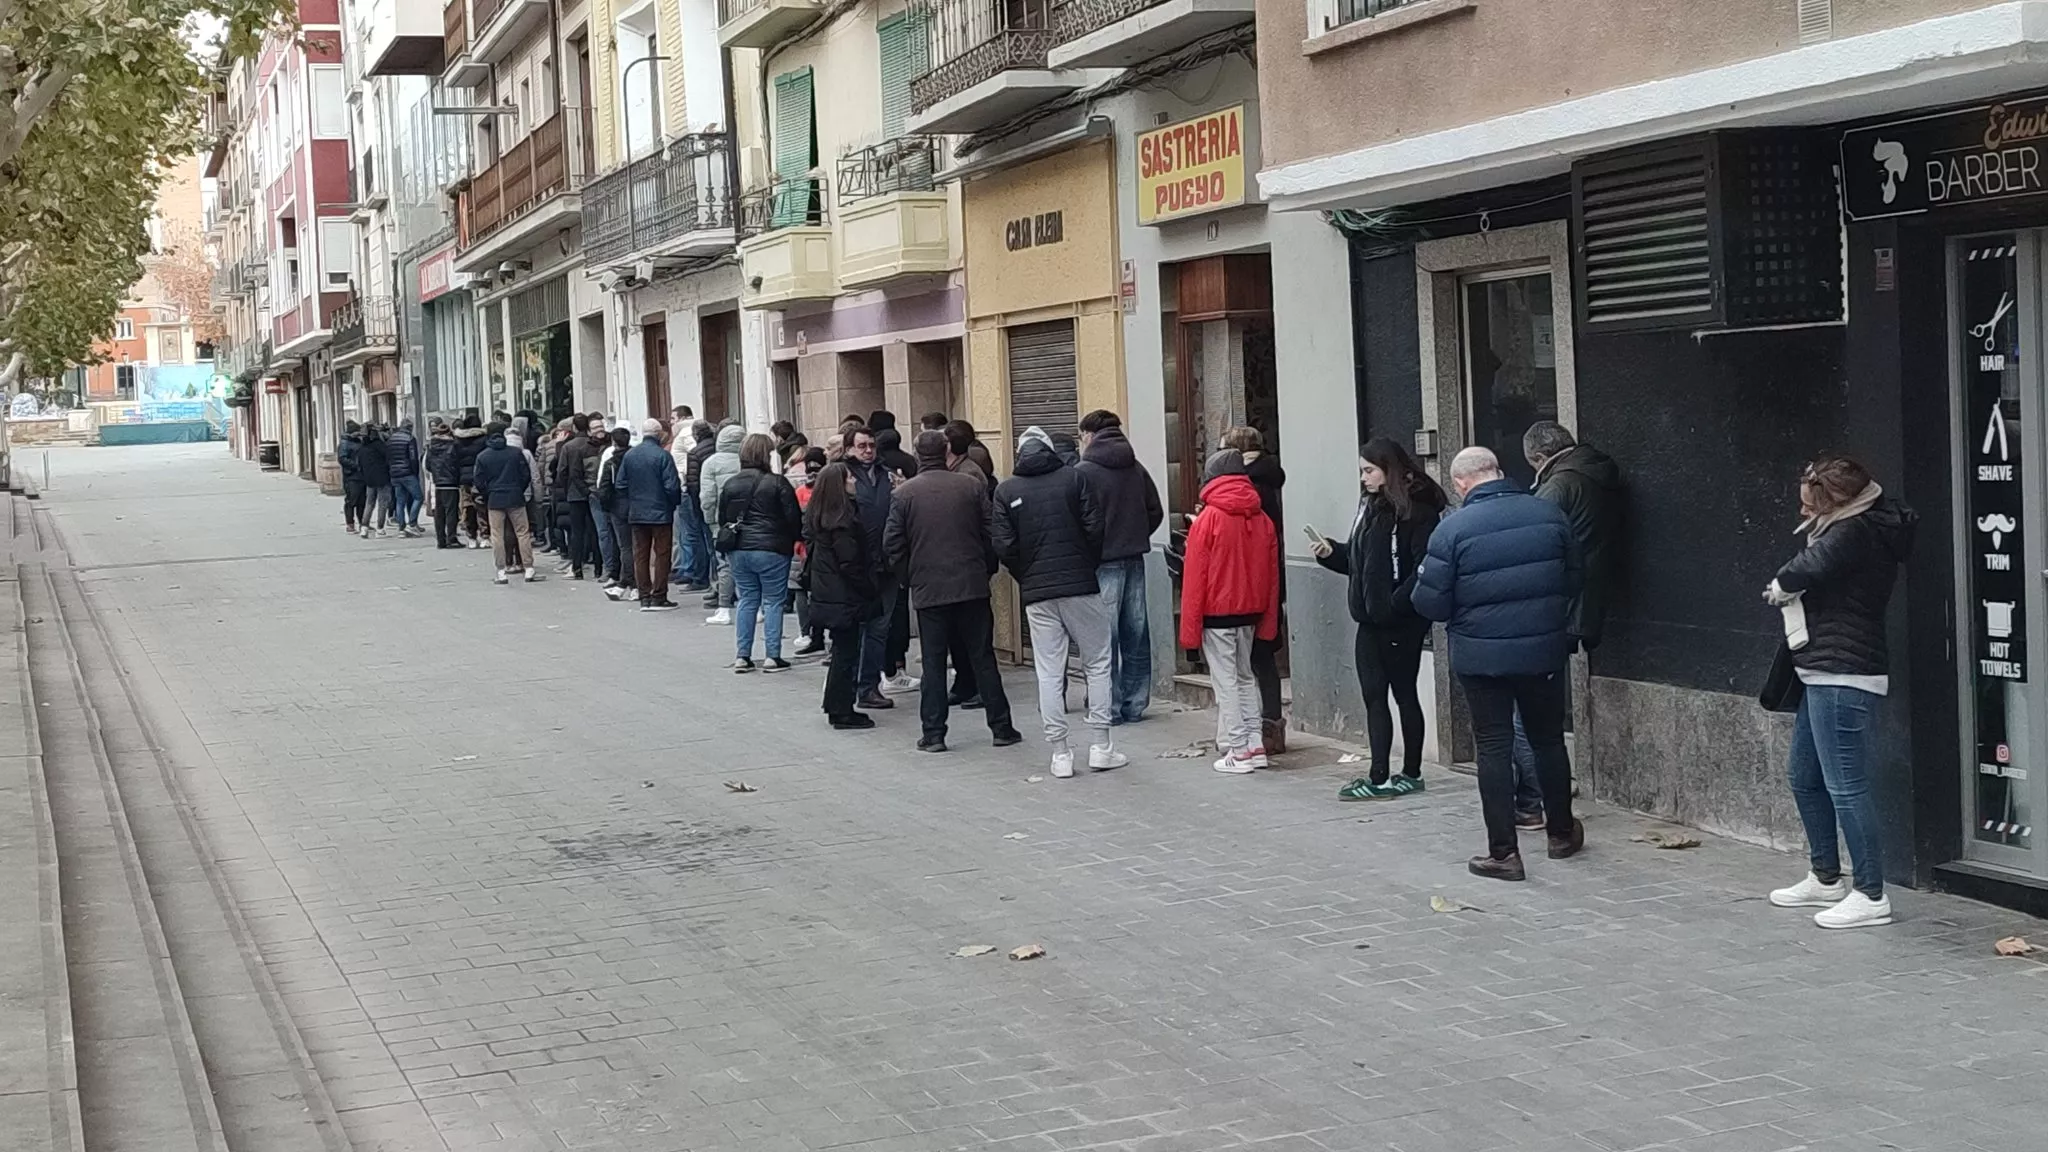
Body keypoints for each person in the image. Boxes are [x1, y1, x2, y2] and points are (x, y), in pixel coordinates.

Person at [1410, 446, 1582, 882]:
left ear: (1460, 484)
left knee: (1493, 747)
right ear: (1500, 472)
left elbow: (1430, 602)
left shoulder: (1453, 529)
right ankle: (1561, 833)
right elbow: (1575, 577)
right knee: (1547, 741)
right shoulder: (1548, 515)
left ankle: (1504, 853)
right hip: (1542, 651)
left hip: (1480, 656)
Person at [1763, 455, 1915, 930]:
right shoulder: (1853, 524)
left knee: (1846, 787)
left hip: (1842, 671)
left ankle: (1870, 893)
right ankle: (1825, 876)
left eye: (1810, 507)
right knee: (1804, 776)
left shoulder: (1854, 532)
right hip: (1821, 668)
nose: (1804, 514)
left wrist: (1779, 587)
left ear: (1837, 503)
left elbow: (1797, 572)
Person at [1312, 438, 1446, 799]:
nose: (1364, 479)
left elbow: (1422, 568)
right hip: (1369, 619)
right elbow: (1360, 565)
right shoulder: (1370, 508)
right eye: (1361, 471)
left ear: (1390, 470)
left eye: (1369, 471)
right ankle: (1381, 774)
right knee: (1374, 695)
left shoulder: (1418, 511)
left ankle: (1404, 773)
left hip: (1400, 620)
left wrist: (1393, 605)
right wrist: (1330, 553)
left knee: (1403, 694)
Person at [1509, 421, 1626, 826]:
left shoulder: (1560, 486)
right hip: (1581, 604)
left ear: (1540, 458)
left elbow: (1530, 539)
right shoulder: (1597, 473)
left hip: (1555, 609)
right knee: (1542, 714)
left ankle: (1532, 802)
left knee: (1528, 716)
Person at [991, 427, 1123, 779]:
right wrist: (1085, 563)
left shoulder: (1006, 490)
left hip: (1038, 594)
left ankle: (1060, 753)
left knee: (1049, 671)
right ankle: (1101, 745)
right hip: (1081, 585)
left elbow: (1003, 546)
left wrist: (1028, 574)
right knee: (1097, 663)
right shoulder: (1075, 479)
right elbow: (1096, 527)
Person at [884, 429, 1021, 753]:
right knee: (983, 658)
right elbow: (992, 533)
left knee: (932, 664)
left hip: (930, 589)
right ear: (946, 450)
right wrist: (983, 567)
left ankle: (933, 734)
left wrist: (910, 576)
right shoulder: (971, 486)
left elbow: (892, 545)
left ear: (917, 454)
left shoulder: (904, 495)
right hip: (971, 585)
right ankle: (1001, 728)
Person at [1178, 450, 1281, 775]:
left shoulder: (1208, 520)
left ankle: (1238, 751)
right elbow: (1272, 575)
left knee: (1226, 685)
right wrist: (1268, 620)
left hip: (1216, 615)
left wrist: (1189, 630)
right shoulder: (1261, 517)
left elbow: (1195, 578)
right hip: (1249, 613)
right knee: (1245, 678)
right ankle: (1255, 744)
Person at [1076, 410, 1165, 724]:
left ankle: (1108, 708)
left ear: (1089, 435)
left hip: (1102, 563)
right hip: (1135, 559)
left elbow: (1078, 522)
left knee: (1103, 638)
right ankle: (1134, 704)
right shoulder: (1135, 467)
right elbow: (1156, 511)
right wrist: (1136, 535)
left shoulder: (1083, 472)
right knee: (1136, 634)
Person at [714, 433, 804, 669]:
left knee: (747, 600)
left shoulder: (731, 484)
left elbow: (722, 517)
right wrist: (795, 538)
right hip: (772, 549)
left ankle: (743, 655)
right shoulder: (777, 483)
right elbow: (792, 517)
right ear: (767, 454)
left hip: (740, 549)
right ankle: (772, 655)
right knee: (773, 601)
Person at [1226, 426, 1288, 752]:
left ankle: (1261, 729)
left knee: (1252, 659)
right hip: (1267, 578)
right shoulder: (1266, 479)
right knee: (1263, 656)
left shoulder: (1249, 487)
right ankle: (1271, 725)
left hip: (1251, 580)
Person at [846, 426, 906, 711]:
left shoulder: (889, 476)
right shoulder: (841, 477)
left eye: (871, 445)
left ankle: (869, 687)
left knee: (880, 629)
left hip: (887, 565)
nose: (868, 450)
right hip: (856, 567)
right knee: (855, 630)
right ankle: (850, 686)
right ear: (849, 449)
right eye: (862, 446)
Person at [618, 419, 683, 611]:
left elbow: (620, 484)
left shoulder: (630, 456)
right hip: (660, 512)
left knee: (641, 554)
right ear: (659, 434)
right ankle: (659, 595)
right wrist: (673, 503)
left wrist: (633, 499)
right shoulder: (663, 456)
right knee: (662, 554)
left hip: (637, 511)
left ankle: (644, 595)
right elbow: (672, 486)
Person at [471, 422, 543, 584]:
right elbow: (526, 475)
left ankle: (501, 571)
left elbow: (478, 480)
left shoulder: (483, 456)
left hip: (495, 499)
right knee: (522, 532)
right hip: (515, 497)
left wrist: (487, 493)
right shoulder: (516, 453)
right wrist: (518, 488)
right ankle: (529, 568)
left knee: (497, 535)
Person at [698, 422, 746, 623]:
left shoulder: (711, 463)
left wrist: (709, 519)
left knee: (725, 564)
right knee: (745, 564)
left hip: (721, 522)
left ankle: (724, 607)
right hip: (747, 520)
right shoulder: (747, 461)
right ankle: (752, 605)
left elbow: (707, 496)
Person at [555, 414, 598, 579]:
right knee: (593, 529)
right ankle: (598, 567)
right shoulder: (592, 443)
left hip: (574, 493)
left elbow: (562, 471)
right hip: (592, 490)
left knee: (577, 532)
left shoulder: (568, 446)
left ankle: (577, 567)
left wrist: (566, 488)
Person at [597, 428, 635, 596]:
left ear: (613, 443)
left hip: (618, 507)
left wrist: (606, 507)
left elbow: (604, 488)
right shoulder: (636, 460)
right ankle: (637, 583)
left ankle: (629, 581)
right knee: (639, 546)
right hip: (637, 505)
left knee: (625, 546)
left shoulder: (611, 463)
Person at [679, 418, 716, 591]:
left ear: (695, 435)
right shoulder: (718, 448)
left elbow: (693, 484)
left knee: (702, 540)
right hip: (722, 501)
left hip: (703, 501)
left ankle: (704, 579)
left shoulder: (694, 453)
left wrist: (696, 507)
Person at [424, 418, 462, 548]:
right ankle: (452, 538)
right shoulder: (454, 445)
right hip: (451, 482)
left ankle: (441, 539)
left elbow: (428, 465)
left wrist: (436, 474)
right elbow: (458, 463)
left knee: (439, 512)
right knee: (451, 511)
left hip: (438, 482)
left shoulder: (432, 446)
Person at [454, 414, 490, 548]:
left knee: (468, 507)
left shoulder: (458, 441)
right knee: (481, 506)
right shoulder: (484, 439)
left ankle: (471, 537)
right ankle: (485, 535)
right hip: (480, 478)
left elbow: (455, 460)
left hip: (464, 479)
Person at [356, 423, 392, 538]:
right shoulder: (380, 446)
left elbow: (359, 465)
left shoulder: (362, 448)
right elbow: (388, 459)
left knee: (369, 503)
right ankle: (380, 528)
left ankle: (364, 527)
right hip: (382, 478)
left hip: (369, 480)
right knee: (382, 503)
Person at [387, 420, 423, 535]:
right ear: (410, 428)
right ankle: (412, 524)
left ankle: (401, 528)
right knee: (418, 497)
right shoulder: (410, 439)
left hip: (394, 474)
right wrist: (415, 472)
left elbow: (388, 457)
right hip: (407, 473)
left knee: (400, 501)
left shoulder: (391, 439)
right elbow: (413, 458)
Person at [338, 421, 365, 534]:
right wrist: (356, 465)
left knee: (362, 501)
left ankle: (363, 523)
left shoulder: (359, 441)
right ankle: (350, 524)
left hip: (361, 476)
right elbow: (342, 459)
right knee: (351, 500)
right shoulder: (345, 443)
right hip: (351, 476)